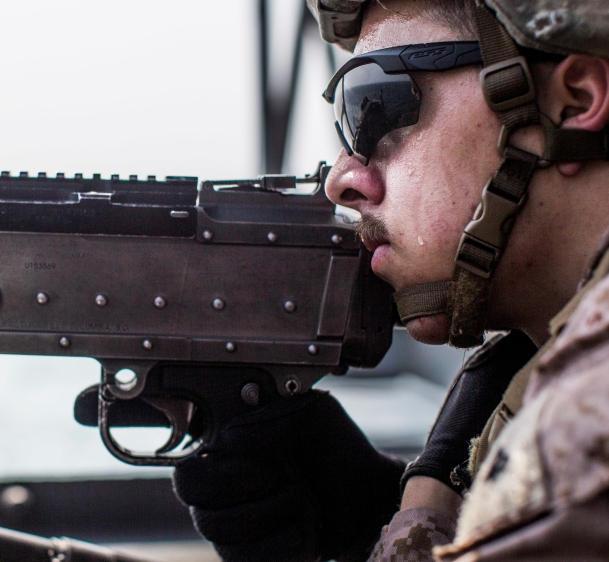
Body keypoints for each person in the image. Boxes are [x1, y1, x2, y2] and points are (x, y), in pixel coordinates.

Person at [171, 0, 609, 560]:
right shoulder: (536, 372)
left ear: (576, 103)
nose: (341, 179)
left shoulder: (581, 436)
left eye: (377, 104)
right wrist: (395, 518)